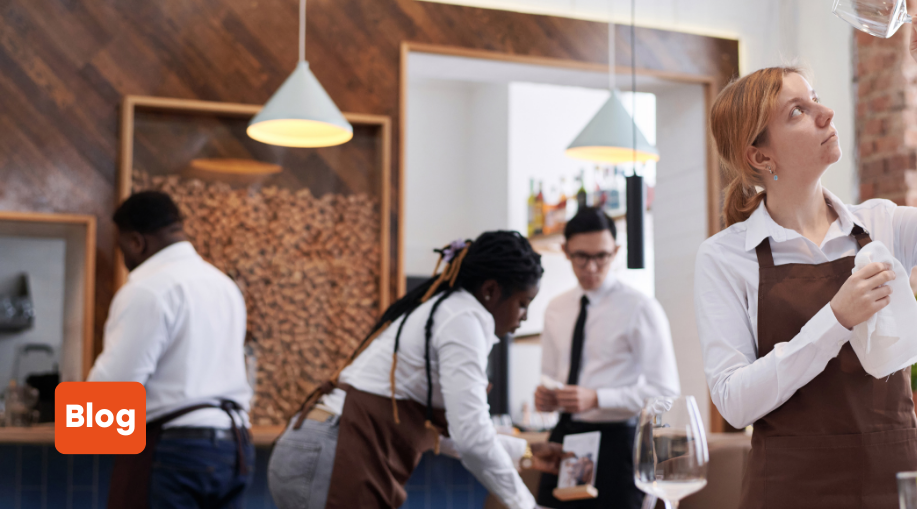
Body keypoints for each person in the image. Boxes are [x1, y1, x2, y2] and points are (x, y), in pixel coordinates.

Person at [694, 14, 917, 509]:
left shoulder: (881, 225)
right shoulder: (724, 257)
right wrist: (835, 320)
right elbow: (735, 402)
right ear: (760, 156)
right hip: (790, 494)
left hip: (899, 485)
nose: (826, 114)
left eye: (816, 98)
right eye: (798, 111)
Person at [268, 230, 563, 509]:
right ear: (490, 290)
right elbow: (471, 439)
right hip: (332, 452)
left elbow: (454, 436)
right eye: (523, 303)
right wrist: (525, 504)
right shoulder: (465, 318)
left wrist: (525, 451)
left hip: (314, 446)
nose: (525, 317)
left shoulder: (446, 308)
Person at [89, 191, 254, 509]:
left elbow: (115, 388)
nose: (124, 260)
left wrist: (69, 424)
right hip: (235, 446)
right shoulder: (224, 286)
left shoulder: (147, 288)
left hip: (176, 449)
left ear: (136, 242)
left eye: (122, 249)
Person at [534, 207, 681, 508]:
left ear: (616, 251)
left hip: (619, 441)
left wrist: (598, 398)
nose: (591, 267)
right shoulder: (555, 308)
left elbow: (666, 393)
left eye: (601, 256)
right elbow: (550, 376)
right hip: (565, 437)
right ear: (565, 251)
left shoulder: (640, 308)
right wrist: (547, 398)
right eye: (581, 256)